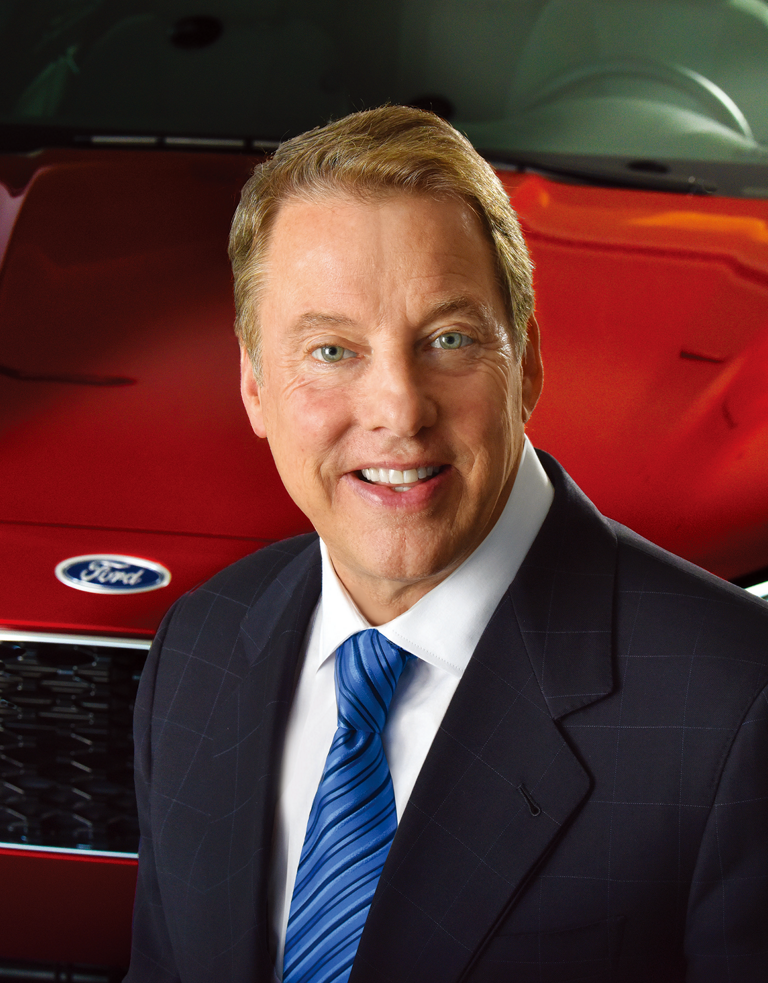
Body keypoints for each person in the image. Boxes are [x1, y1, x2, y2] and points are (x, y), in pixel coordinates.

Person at [124, 106, 768, 983]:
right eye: (331, 349)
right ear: (255, 387)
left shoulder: (736, 705)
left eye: (449, 339)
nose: (398, 409)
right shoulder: (196, 651)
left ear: (528, 360)